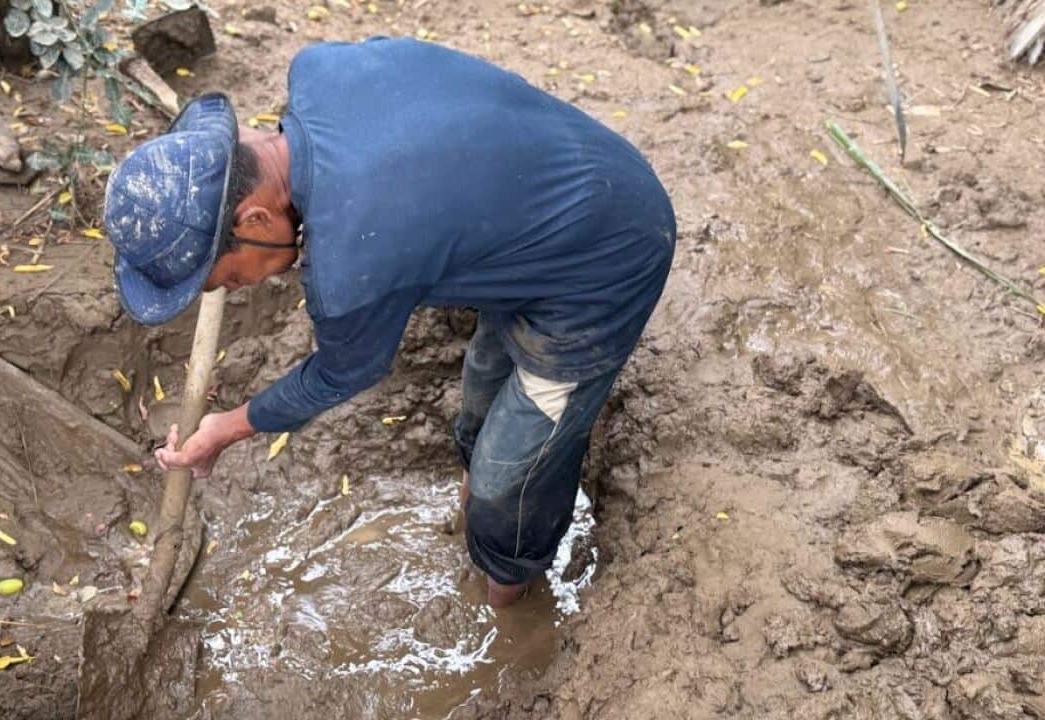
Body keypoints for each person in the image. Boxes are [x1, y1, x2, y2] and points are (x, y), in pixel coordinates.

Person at [104, 37, 675, 608]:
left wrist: (225, 428)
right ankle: (476, 532)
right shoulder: (321, 69)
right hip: (543, 206)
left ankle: (508, 598)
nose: (241, 287)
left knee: (508, 482)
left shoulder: (353, 259)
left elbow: (338, 373)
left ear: (253, 216)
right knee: (480, 404)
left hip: (607, 258)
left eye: (228, 278)